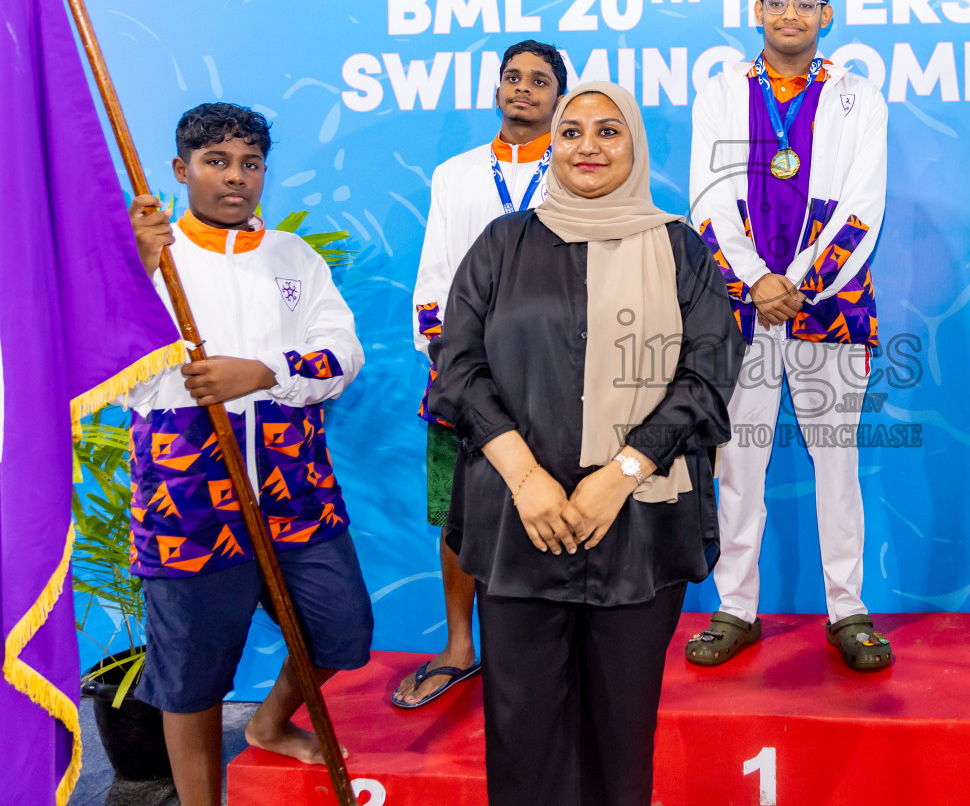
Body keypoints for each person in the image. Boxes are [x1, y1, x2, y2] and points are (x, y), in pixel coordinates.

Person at [429, 81, 744, 806]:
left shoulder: (679, 248)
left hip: (636, 525)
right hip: (518, 524)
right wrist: (527, 476)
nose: (588, 147)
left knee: (621, 736)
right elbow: (458, 367)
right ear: (554, 148)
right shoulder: (502, 243)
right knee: (522, 733)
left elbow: (709, 372)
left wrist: (621, 472)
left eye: (610, 132)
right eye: (572, 133)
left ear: (633, 145)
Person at [123, 103, 371, 806]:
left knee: (342, 629)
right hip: (187, 494)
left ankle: (267, 723)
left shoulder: (293, 258)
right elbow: (105, 369)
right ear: (182, 170)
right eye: (217, 162)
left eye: (250, 163)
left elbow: (343, 354)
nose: (236, 178)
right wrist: (135, 273)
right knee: (190, 675)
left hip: (296, 487)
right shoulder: (151, 260)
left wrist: (261, 371)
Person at [684, 0, 891, 671]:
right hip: (742, 313)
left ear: (826, 16)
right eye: (778, 0)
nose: (791, 14)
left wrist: (795, 283)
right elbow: (708, 202)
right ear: (757, 10)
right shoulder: (718, 94)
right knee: (739, 464)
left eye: (807, 2)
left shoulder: (858, 97)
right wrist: (755, 281)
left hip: (829, 309)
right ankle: (735, 606)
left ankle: (848, 609)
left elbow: (863, 207)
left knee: (838, 462)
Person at [395, 39, 567, 708]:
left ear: (558, 96)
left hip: (553, 374)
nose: (523, 89)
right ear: (497, 90)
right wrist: (454, 362)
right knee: (456, 510)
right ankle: (460, 644)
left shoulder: (576, 167)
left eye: (540, 80)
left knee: (554, 500)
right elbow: (434, 276)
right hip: (464, 374)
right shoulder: (455, 174)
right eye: (512, 78)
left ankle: (546, 647)